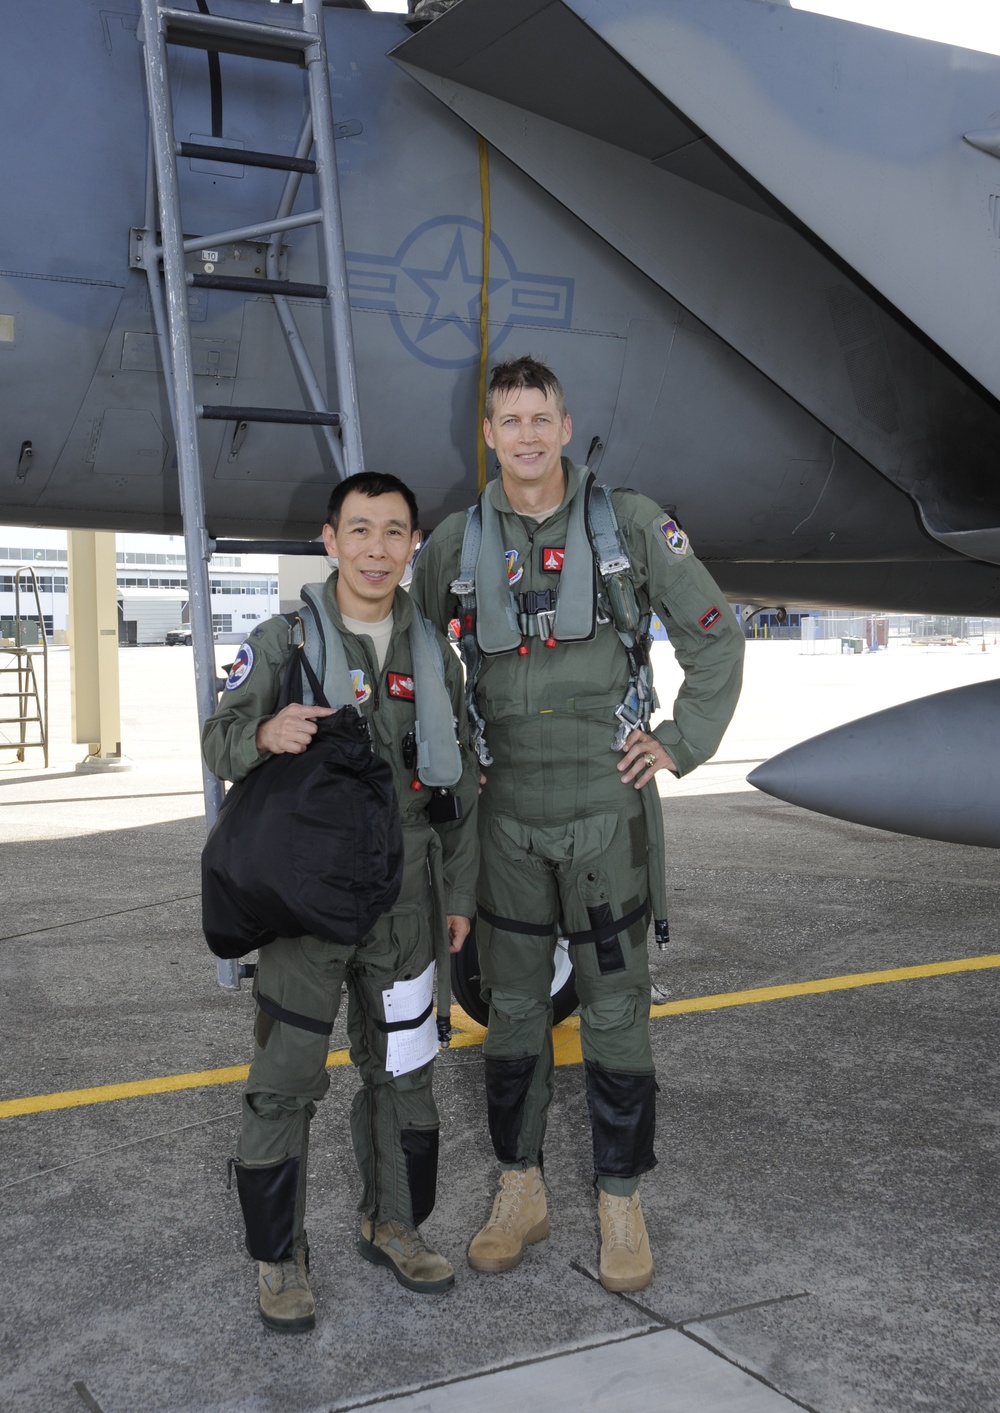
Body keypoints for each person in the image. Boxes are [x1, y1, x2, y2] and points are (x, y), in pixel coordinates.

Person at [409, 356, 744, 1293]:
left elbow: (715, 631)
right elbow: (406, 650)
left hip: (604, 813)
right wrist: (442, 758)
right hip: (505, 817)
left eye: (539, 418)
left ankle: (620, 1201)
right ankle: (521, 1191)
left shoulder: (632, 527)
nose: (524, 435)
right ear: (489, 434)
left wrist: (680, 741)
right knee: (511, 1014)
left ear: (565, 426)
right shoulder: (455, 543)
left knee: (615, 1016)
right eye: (507, 420)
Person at [203, 472, 479, 1332]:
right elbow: (218, 737)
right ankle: (279, 1259)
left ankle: (391, 1221)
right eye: (359, 531)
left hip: (404, 904)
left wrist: (457, 896)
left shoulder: (435, 652)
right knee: (284, 1082)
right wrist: (262, 734)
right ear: (329, 541)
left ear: (412, 543)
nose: (376, 549)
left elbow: (460, 786)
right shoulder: (281, 641)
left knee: (403, 1072)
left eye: (394, 533)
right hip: (310, 904)